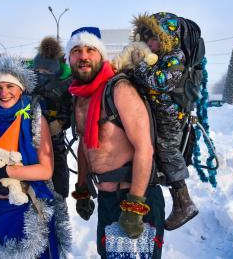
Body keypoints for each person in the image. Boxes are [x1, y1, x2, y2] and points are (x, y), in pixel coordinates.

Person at [66, 27, 165, 258]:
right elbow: (85, 145)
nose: (83, 56)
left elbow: (144, 148)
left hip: (135, 197)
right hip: (108, 199)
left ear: (101, 55)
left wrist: (135, 207)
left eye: (90, 49)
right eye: (76, 51)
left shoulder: (119, 89)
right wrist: (82, 189)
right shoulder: (80, 96)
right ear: (69, 58)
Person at [0, 55, 70, 258]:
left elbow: (45, 170)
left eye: (10, 86)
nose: (4, 92)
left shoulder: (35, 118)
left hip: (31, 207)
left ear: (21, 89)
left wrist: (5, 171)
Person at [129, 12, 199, 230]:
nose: (150, 44)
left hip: (169, 115)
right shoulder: (159, 57)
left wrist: (139, 66)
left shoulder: (175, 57)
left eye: (154, 39)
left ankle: (184, 203)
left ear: (168, 37)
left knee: (167, 149)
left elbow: (160, 82)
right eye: (147, 39)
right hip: (156, 112)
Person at [32, 36, 73, 199]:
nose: (42, 74)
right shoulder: (29, 85)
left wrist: (61, 121)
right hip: (31, 138)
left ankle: (59, 201)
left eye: (46, 72)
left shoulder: (65, 85)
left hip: (55, 139)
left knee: (58, 176)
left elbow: (70, 109)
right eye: (39, 71)